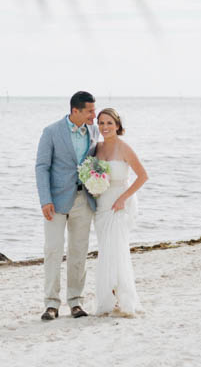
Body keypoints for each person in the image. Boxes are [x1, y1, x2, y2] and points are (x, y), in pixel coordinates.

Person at [35, 90, 99, 320]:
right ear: (76, 110)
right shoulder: (51, 132)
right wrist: (45, 199)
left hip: (84, 200)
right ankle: (51, 304)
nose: (94, 115)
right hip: (56, 201)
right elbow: (42, 167)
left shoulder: (94, 131)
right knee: (53, 250)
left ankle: (76, 301)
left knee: (79, 252)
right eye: (90, 111)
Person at [94, 107, 148, 316]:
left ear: (117, 125)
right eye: (101, 123)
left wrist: (122, 199)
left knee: (117, 250)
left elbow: (143, 176)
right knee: (105, 251)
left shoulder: (124, 148)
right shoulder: (96, 148)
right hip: (102, 204)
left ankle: (124, 300)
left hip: (120, 203)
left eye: (109, 123)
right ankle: (110, 297)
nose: (105, 127)